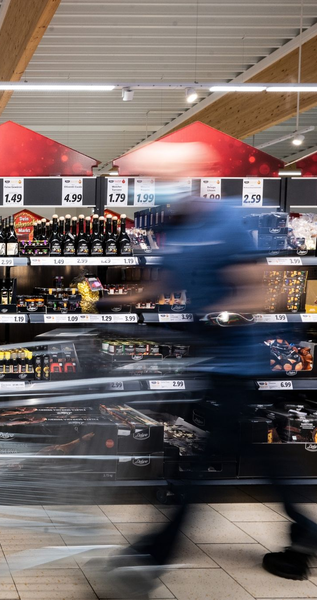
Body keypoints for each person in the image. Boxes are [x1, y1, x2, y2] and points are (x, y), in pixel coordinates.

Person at [110, 196, 317, 585]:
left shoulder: (226, 222)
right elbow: (166, 284)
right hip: (217, 364)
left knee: (200, 468)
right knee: (262, 458)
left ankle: (154, 558)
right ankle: (307, 531)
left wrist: (216, 319)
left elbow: (260, 294)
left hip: (241, 365)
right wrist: (115, 302)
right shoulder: (176, 232)